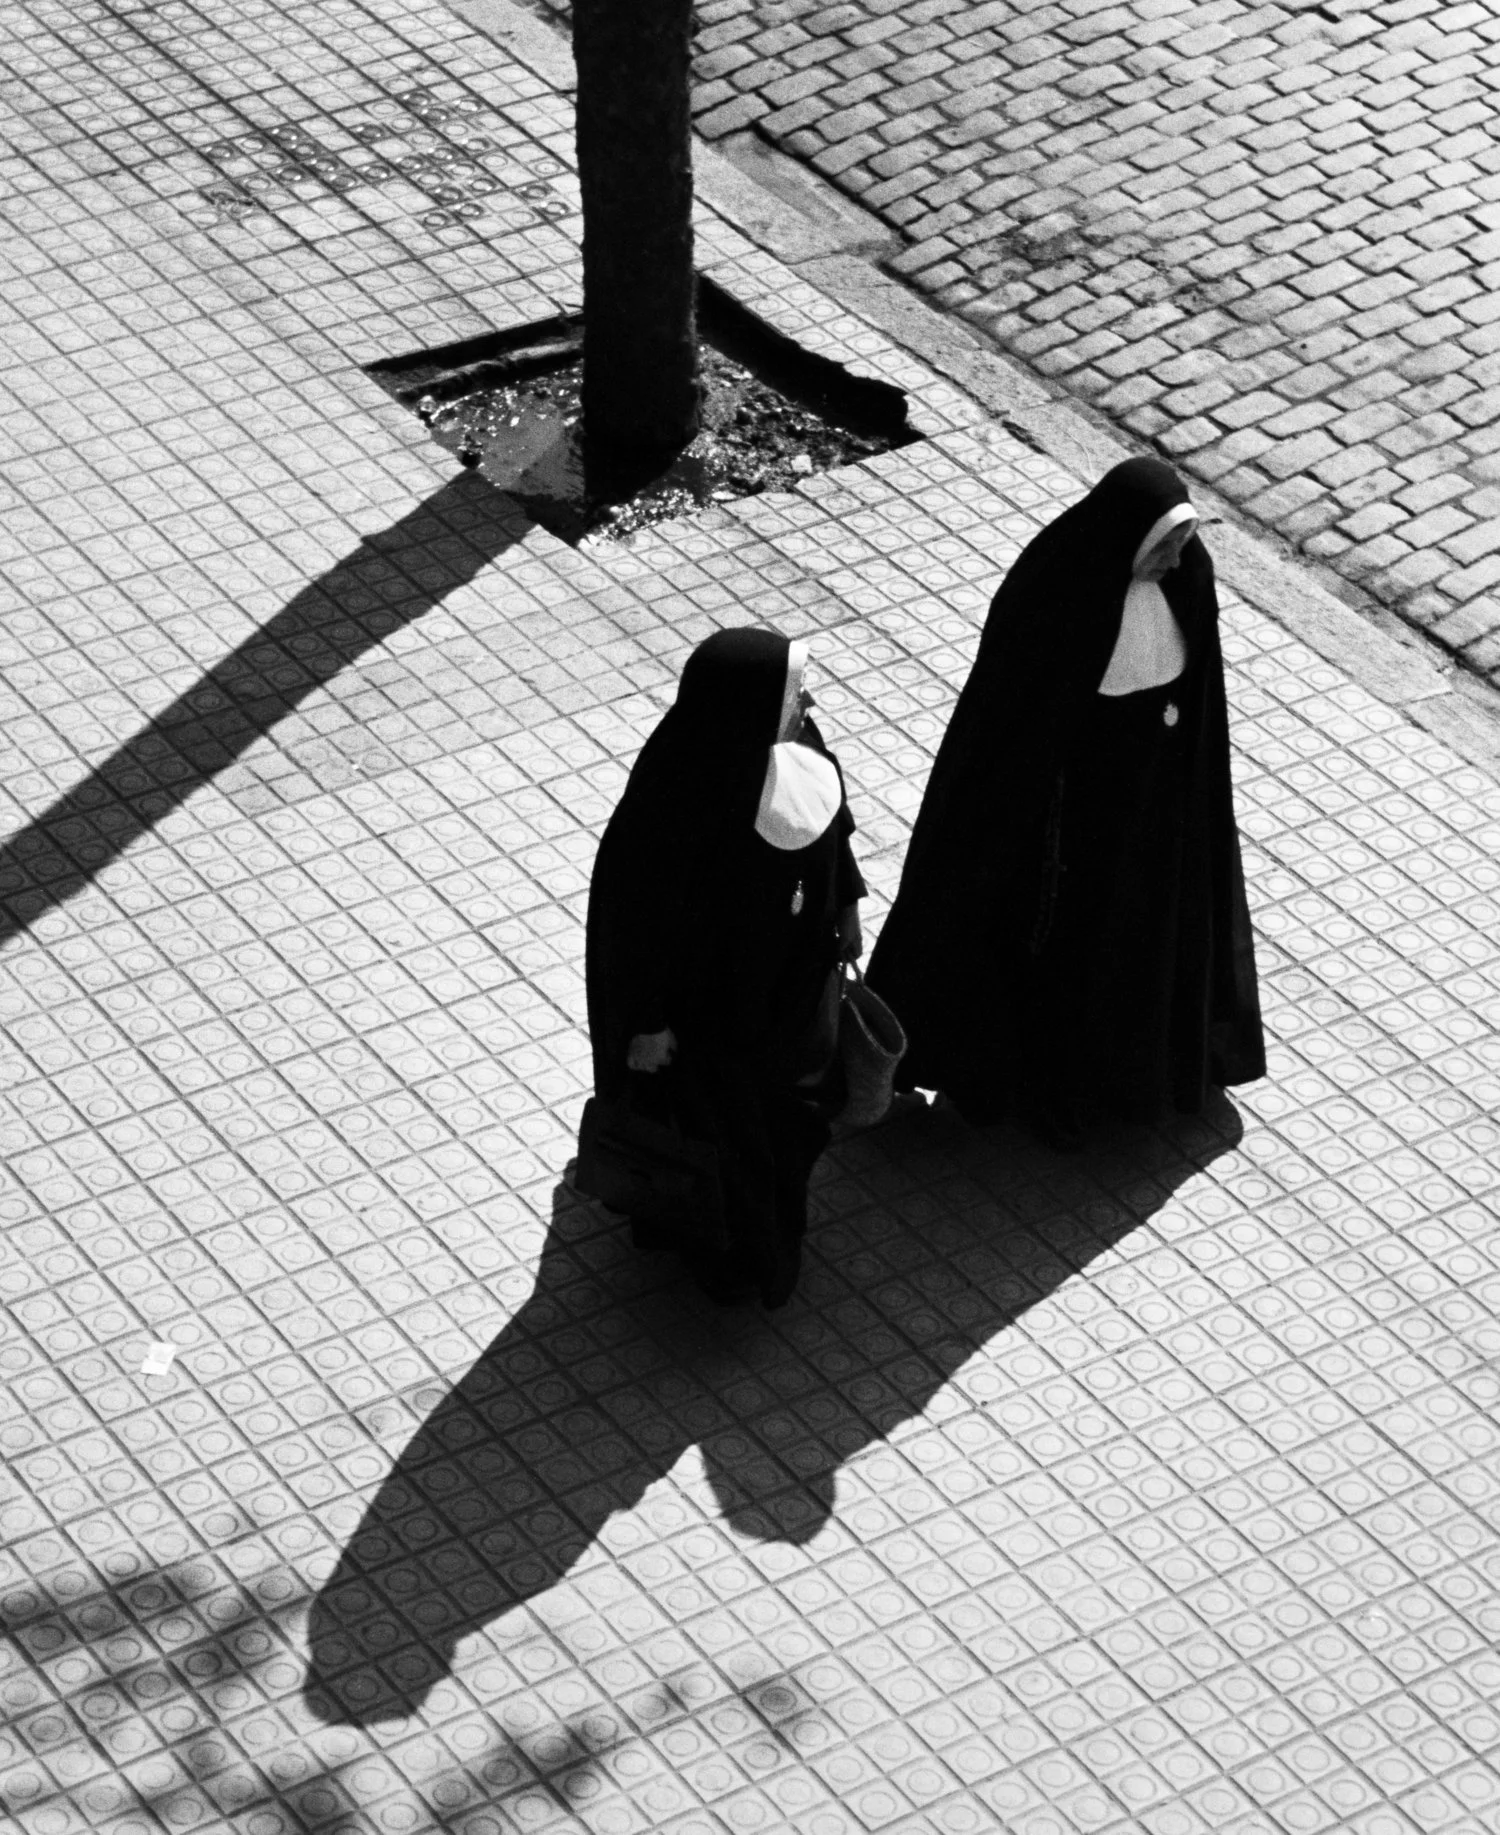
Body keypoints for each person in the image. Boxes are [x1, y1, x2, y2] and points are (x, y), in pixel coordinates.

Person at [866, 457, 1265, 1146]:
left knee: (1142, 954)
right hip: (1064, 831)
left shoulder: (1189, 577)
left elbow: (1198, 704)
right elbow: (1014, 728)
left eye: (1181, 541)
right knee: (1066, 963)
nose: (1177, 558)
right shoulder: (1056, 593)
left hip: (1153, 817)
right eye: (1164, 545)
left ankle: (1139, 1084)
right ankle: (1049, 1091)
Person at [584, 627, 866, 1307]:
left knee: (785, 1125)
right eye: (795, 691)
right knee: (729, 1141)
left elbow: (836, 836)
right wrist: (646, 1024)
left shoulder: (802, 745)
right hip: (712, 1016)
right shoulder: (677, 798)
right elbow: (638, 925)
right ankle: (746, 1262)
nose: (809, 701)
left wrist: (848, 913)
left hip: (793, 995)